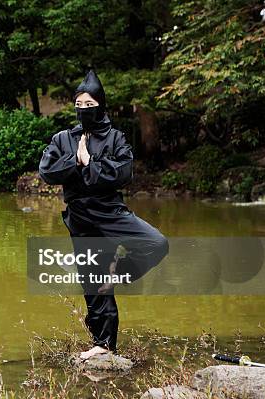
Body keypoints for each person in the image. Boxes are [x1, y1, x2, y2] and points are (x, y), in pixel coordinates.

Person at [38, 70, 169, 360]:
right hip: (80, 215)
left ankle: (118, 271)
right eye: (79, 105)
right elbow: (47, 171)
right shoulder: (63, 139)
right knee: (95, 286)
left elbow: (123, 173)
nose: (84, 110)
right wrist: (75, 159)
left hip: (111, 211)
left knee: (156, 243)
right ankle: (103, 344)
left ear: (101, 105)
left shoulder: (116, 138)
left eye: (90, 105)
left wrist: (91, 163)